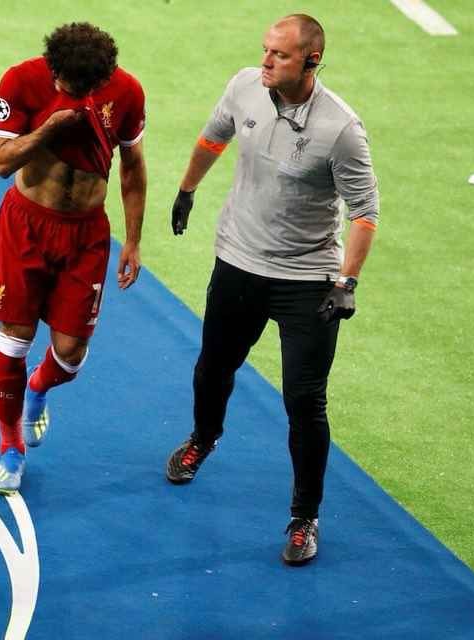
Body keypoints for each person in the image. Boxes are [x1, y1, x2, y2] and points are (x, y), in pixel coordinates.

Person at [164, 14, 379, 565]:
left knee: (305, 401)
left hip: (307, 281)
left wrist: (347, 282)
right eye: (265, 50)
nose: (265, 61)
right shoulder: (244, 86)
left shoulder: (341, 129)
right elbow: (213, 137)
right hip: (238, 262)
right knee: (213, 367)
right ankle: (203, 438)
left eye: (279, 55)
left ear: (311, 61)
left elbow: (364, 212)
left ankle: (305, 517)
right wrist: (188, 188)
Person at [0, 22, 147, 495]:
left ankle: (38, 387)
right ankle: (10, 446)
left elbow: (133, 168)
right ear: (52, 68)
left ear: (102, 80)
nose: (72, 93)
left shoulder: (127, 92)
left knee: (71, 354)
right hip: (26, 225)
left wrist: (133, 241)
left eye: (83, 88)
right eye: (65, 84)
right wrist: (49, 128)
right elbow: (0, 162)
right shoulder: (21, 80)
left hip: (86, 234)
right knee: (14, 339)